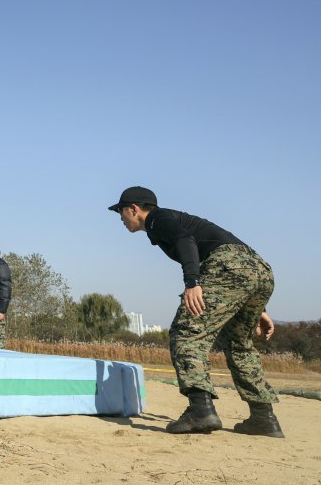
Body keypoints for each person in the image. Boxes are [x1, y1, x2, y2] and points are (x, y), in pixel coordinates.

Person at [108, 186, 283, 437]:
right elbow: (243, 259)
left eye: (120, 212)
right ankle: (263, 418)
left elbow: (184, 240)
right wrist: (258, 307)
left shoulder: (158, 218)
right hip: (258, 271)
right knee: (238, 344)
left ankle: (201, 411)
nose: (121, 218)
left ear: (134, 209)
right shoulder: (170, 219)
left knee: (186, 333)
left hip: (228, 267)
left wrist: (192, 283)